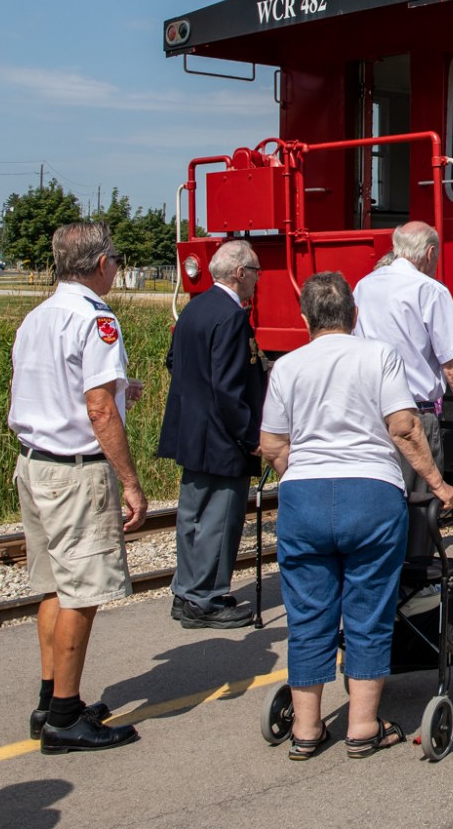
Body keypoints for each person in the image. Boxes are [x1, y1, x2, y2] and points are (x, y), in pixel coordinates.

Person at [259, 273, 453, 759]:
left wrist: (298, 474)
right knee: (369, 609)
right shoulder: (379, 356)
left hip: (303, 498)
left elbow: (271, 444)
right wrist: (438, 485)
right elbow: (405, 428)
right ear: (354, 316)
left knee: (308, 613)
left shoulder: (286, 367)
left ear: (304, 319)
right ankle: (364, 726)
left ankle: (306, 730)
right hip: (371, 495)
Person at [9, 223, 146, 753]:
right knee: (83, 591)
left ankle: (50, 698)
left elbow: (50, 386)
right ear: (99, 263)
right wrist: (129, 482)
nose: (115, 267)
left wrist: (115, 390)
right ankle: (65, 717)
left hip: (35, 461)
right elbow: (96, 407)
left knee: (52, 585)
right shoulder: (96, 319)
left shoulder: (38, 315)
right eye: (114, 258)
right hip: (74, 470)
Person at [157, 239, 266, 630]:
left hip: (192, 430)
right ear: (240, 274)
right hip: (222, 436)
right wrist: (250, 435)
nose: (257, 280)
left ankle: (186, 591)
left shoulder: (196, 308)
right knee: (219, 521)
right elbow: (230, 386)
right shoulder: (233, 316)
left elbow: (175, 362)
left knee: (191, 515)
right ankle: (205, 599)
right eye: (255, 272)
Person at [353, 221, 453, 499]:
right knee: (418, 507)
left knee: (379, 501)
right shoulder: (430, 290)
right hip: (414, 415)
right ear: (430, 253)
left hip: (370, 414)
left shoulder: (363, 286)